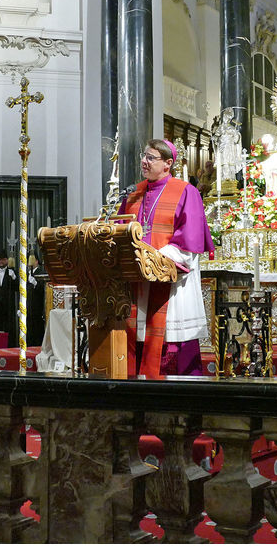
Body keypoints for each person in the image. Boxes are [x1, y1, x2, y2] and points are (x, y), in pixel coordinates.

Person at [119, 139, 215, 378]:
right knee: (137, 337)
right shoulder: (133, 195)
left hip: (170, 286)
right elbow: (120, 231)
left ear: (168, 163)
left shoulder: (186, 192)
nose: (144, 161)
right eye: (144, 155)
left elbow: (188, 243)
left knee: (171, 346)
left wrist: (150, 258)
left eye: (151, 157)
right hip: (138, 285)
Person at [27, 252, 46, 346]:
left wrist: (36, 284)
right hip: (29, 307)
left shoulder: (41, 272)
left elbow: (44, 289)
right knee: (29, 331)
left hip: (37, 307)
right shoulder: (27, 274)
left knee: (37, 331)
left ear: (37, 261)